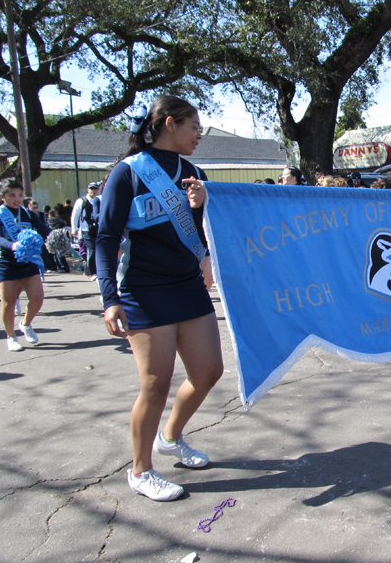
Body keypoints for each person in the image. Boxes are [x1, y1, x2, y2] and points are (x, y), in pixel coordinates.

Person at [96, 95, 224, 500]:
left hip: (187, 284)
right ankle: (140, 470)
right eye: (193, 127)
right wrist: (109, 298)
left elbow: (202, 229)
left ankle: (170, 437)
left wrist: (203, 208)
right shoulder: (128, 171)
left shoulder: (194, 173)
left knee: (208, 371)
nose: (198, 135)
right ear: (170, 123)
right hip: (143, 289)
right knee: (155, 384)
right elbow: (105, 237)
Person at [0, 179, 51, 351]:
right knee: (9, 302)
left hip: (28, 261)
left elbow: (43, 229)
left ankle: (25, 323)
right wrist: (12, 245)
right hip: (6, 262)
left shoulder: (27, 213)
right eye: (12, 195)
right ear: (3, 197)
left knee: (37, 298)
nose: (17, 199)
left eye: (20, 195)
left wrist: (55, 236)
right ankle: (11, 336)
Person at [70, 181, 102, 277]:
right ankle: (92, 272)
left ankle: (96, 269)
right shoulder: (82, 201)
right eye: (91, 189)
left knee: (98, 249)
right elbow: (75, 215)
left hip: (98, 229)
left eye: (95, 189)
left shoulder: (99, 200)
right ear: (88, 190)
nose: (93, 191)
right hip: (86, 230)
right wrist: (74, 229)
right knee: (91, 249)